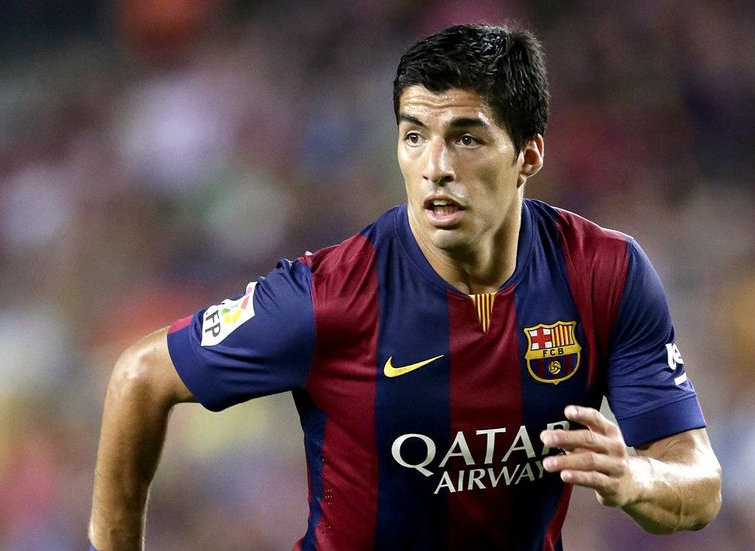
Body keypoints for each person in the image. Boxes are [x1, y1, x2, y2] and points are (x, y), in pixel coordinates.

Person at [89, 23, 722, 551]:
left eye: (466, 138)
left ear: (528, 155)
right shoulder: (332, 294)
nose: (436, 167)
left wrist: (636, 476)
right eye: (415, 135)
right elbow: (140, 377)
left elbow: (699, 488)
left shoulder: (604, 274)